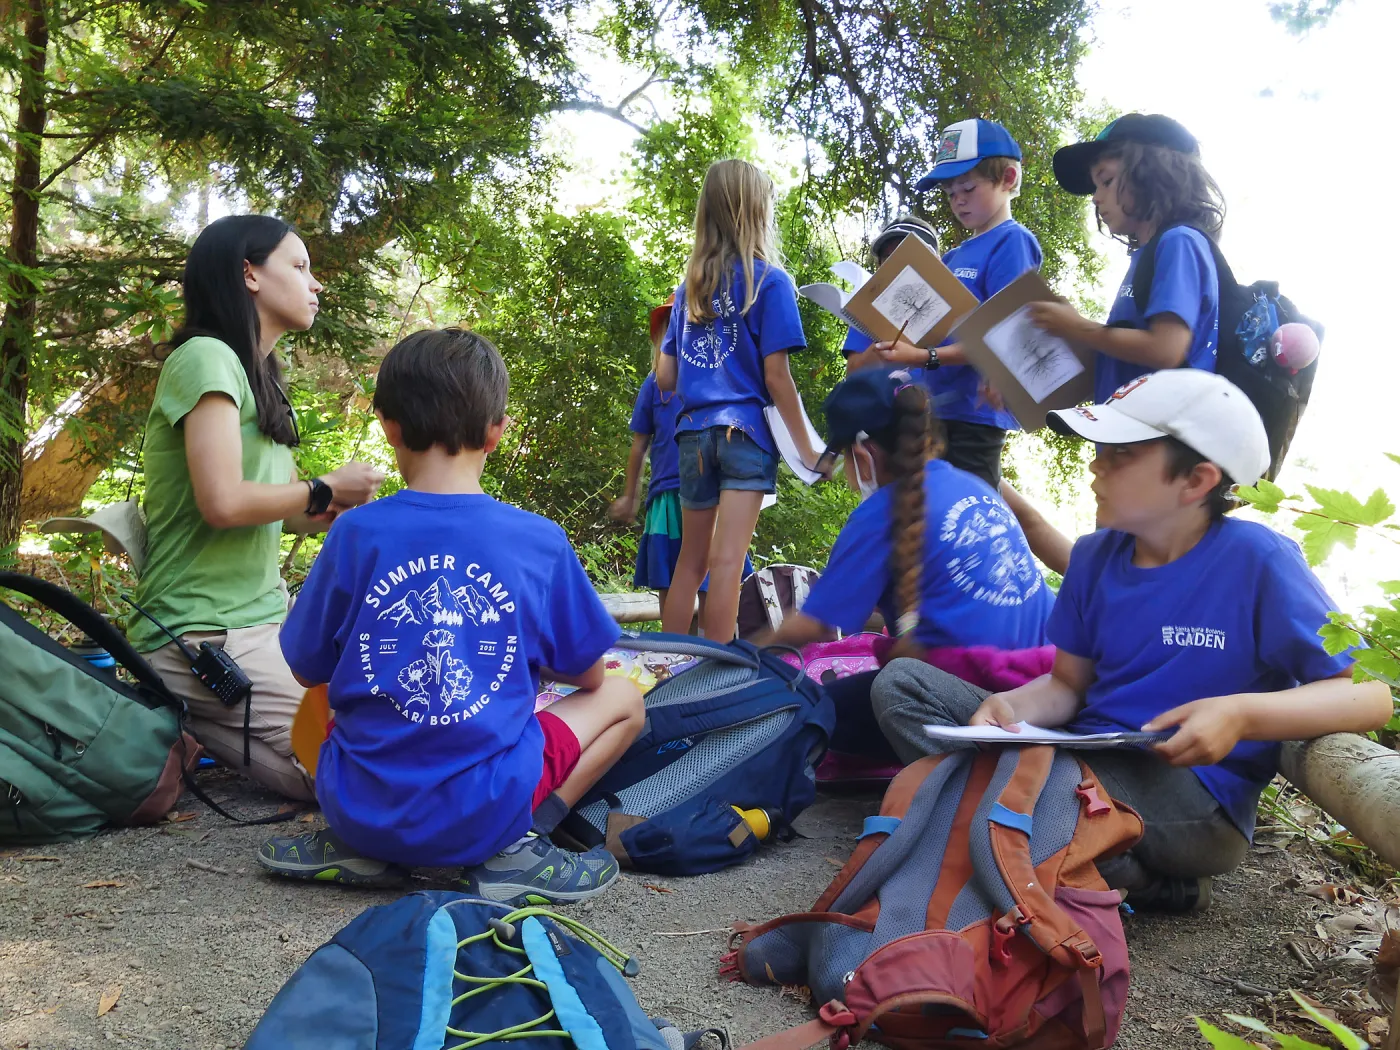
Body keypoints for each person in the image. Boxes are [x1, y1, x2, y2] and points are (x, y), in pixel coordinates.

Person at [870, 370, 1393, 911]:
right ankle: (1066, 853)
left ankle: (1152, 881)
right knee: (902, 684)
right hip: (1085, 758)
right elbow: (1067, 686)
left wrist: (1239, 714)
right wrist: (1009, 705)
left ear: (1195, 481)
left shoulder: (1258, 560)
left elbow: (1370, 698)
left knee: (1037, 788)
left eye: (1119, 456)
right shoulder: (1095, 558)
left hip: (1192, 795)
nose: (1096, 466)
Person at [258, 328, 645, 900]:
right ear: (497, 432)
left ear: (388, 425)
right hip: (484, 811)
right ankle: (518, 846)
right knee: (625, 699)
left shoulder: (354, 534)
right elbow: (588, 676)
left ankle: (364, 849)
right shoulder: (538, 542)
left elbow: (305, 669)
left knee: (343, 702)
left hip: (358, 807)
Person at [129, 215, 383, 801]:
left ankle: (188, 720)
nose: (315, 284)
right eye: (299, 266)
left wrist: (340, 514)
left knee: (371, 736)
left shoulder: (260, 373)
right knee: (355, 774)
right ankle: (182, 709)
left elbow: (284, 512)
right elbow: (222, 502)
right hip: (203, 633)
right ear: (249, 273)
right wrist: (322, 487)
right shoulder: (206, 357)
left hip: (267, 623)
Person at [766, 368, 1054, 759]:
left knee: (799, 712)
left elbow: (813, 625)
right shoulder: (975, 485)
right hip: (1046, 691)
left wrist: (741, 653)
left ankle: (953, 780)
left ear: (864, 454)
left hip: (982, 703)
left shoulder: (879, 515)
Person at [656, 158, 821, 643]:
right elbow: (777, 378)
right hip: (745, 435)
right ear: (756, 211)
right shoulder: (771, 282)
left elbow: (666, 378)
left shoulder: (687, 291)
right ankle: (718, 676)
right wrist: (809, 452)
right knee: (728, 563)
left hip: (691, 436)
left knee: (690, 561)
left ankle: (667, 666)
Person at [872, 119, 1043, 488]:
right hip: (930, 415)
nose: (958, 200)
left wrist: (924, 357)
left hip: (973, 420)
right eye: (950, 193)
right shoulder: (952, 257)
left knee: (962, 527)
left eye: (968, 187)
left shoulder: (1011, 242)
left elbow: (1007, 335)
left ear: (1009, 178)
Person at [1029, 113, 1223, 403]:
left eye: (1106, 181)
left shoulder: (1178, 241)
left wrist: (1076, 325)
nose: (1095, 197)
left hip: (1159, 442)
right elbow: (1121, 364)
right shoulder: (1146, 258)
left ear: (1152, 174)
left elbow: (1166, 349)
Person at [609, 296, 751, 627]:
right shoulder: (653, 387)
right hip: (668, 494)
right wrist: (630, 495)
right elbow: (638, 445)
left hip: (712, 492)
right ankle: (673, 657)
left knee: (714, 579)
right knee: (671, 583)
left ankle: (714, 661)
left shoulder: (719, 382)